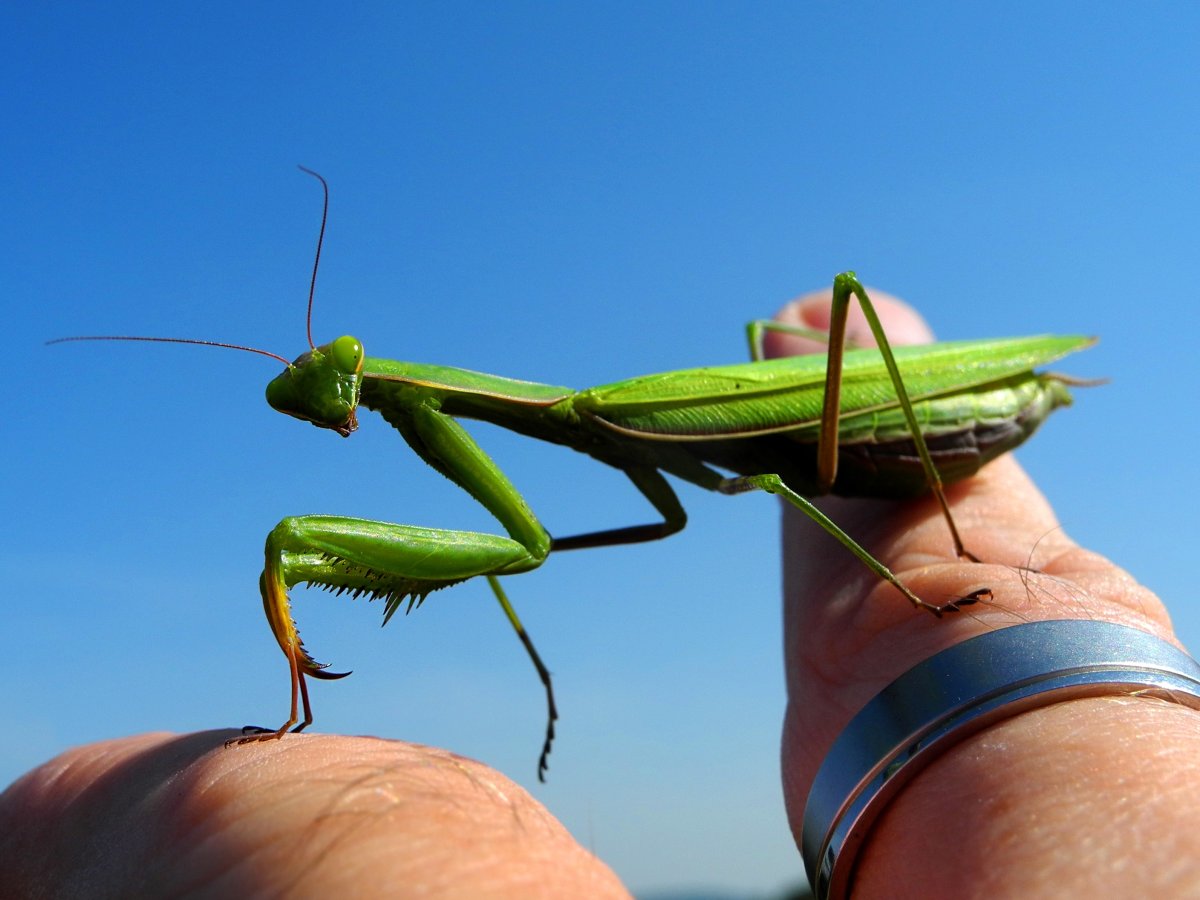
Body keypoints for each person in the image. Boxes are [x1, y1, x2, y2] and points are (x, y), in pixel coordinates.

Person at [3, 289, 1196, 898]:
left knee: (803, 363)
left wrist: (941, 607)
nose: (333, 405)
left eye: (339, 388)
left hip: (910, 428)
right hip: (835, 457)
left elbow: (523, 543)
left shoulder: (595, 412)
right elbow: (522, 544)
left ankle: (915, 564)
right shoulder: (549, 427)